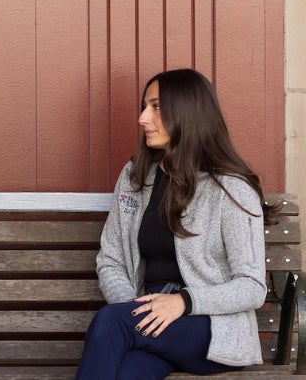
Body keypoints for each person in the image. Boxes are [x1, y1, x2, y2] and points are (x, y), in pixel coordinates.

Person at [76, 69, 280, 379]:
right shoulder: (135, 177)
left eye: (156, 107)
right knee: (126, 372)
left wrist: (183, 302)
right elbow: (111, 259)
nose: (143, 118)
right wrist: (137, 311)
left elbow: (252, 288)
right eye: (145, 106)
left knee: (112, 322)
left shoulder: (230, 188)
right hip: (149, 321)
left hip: (210, 327)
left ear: (188, 113)